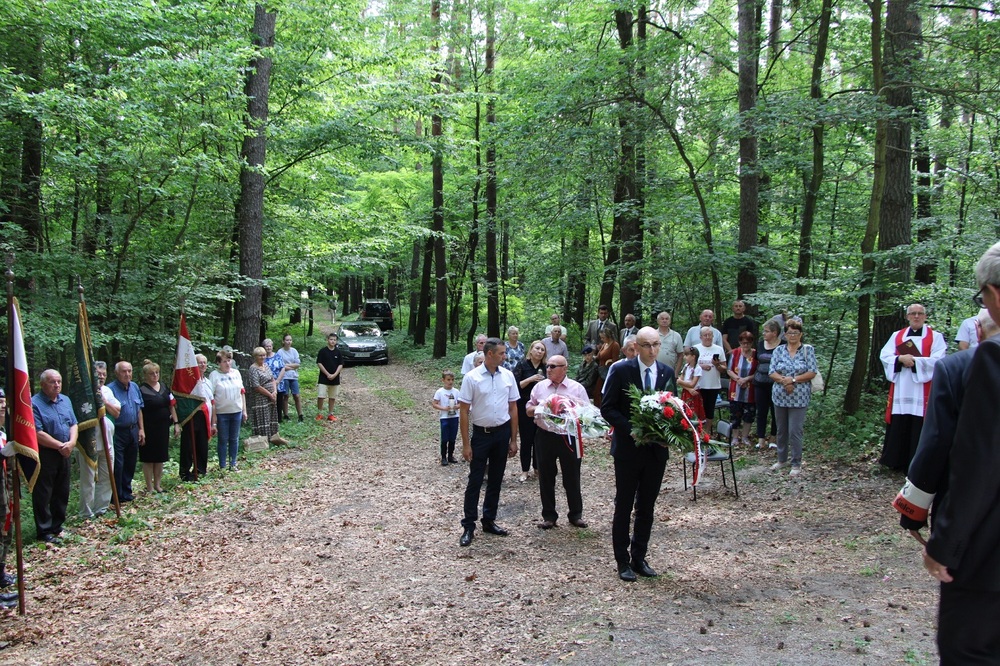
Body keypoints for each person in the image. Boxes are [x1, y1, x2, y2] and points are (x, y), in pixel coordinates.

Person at [923, 241, 1000, 663]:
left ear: (996, 294)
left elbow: (980, 463)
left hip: (989, 560)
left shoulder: (993, 359)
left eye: (982, 297)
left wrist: (945, 544)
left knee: (968, 651)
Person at [895, 309, 999, 539]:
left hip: (971, 504)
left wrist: (912, 510)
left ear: (978, 331)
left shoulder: (955, 368)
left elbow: (936, 441)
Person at [601, 327, 676, 582]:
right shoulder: (622, 371)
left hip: (656, 452)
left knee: (646, 506)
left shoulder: (666, 372)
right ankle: (622, 560)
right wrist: (630, 429)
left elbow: (674, 408)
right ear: (636, 347)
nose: (652, 350)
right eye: (646, 345)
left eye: (656, 345)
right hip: (628, 450)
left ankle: (639, 556)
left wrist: (668, 434)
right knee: (624, 505)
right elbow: (608, 408)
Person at [458, 338, 519, 547]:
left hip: (502, 433)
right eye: (501, 353)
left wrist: (513, 439)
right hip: (481, 435)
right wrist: (466, 444)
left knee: (495, 479)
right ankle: (468, 525)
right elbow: (464, 411)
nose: (505, 356)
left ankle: (489, 520)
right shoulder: (472, 378)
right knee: (475, 480)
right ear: (490, 354)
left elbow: (513, 408)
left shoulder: (508, 376)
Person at [878, 303, 946, 472]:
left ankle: (917, 464)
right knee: (900, 422)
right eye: (913, 313)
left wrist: (915, 361)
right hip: (901, 387)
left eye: (920, 313)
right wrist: (900, 359)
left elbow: (939, 359)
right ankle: (895, 461)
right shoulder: (897, 335)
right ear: (907, 316)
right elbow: (884, 355)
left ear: (925, 316)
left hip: (922, 388)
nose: (916, 316)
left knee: (919, 424)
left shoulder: (935, 337)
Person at [525, 355, 591, 529]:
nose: (548, 369)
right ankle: (549, 516)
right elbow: (528, 410)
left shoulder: (576, 388)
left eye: (553, 366)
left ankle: (575, 514)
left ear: (564, 368)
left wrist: (571, 410)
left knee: (572, 477)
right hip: (545, 436)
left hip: (568, 437)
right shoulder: (539, 387)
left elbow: (587, 414)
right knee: (546, 476)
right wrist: (543, 407)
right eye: (547, 366)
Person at [31, 369, 78, 544]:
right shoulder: (34, 404)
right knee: (44, 492)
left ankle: (57, 526)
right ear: (42, 384)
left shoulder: (65, 400)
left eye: (59, 381)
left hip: (65, 451)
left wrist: (71, 443)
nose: (57, 385)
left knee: (62, 490)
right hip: (46, 453)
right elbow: (37, 432)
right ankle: (44, 531)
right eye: (52, 382)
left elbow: (73, 424)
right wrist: (60, 446)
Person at [768, 320, 817, 476]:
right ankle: (781, 459)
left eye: (796, 333)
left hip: (799, 397)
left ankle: (796, 463)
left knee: (795, 430)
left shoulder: (807, 350)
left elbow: (812, 372)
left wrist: (793, 380)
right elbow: (772, 371)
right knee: (781, 430)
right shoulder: (779, 350)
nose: (793, 335)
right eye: (790, 332)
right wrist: (785, 381)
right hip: (780, 396)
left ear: (800, 334)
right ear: (785, 334)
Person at [78, 362, 116, 518]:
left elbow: (117, 411)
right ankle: (86, 513)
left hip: (107, 442)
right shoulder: (83, 392)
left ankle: (101, 508)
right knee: (88, 480)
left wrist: (104, 401)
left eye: (103, 374)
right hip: (89, 442)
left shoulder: (107, 390)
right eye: (98, 373)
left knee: (106, 477)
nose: (101, 376)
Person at [138, 360, 178, 493]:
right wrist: (141, 429)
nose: (155, 375)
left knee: (160, 457)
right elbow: (139, 411)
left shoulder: (164, 387)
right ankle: (149, 487)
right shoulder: (141, 390)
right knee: (149, 458)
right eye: (152, 373)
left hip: (163, 428)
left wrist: (176, 423)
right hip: (148, 428)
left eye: (157, 372)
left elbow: (171, 406)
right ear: (145, 375)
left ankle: (158, 485)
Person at [108, 361, 144, 502]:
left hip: (133, 430)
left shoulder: (134, 387)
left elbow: (139, 409)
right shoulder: (110, 389)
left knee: (130, 462)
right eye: (124, 371)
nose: (127, 374)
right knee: (118, 464)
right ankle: (116, 495)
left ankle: (127, 491)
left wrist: (141, 429)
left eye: (129, 371)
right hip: (118, 431)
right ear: (117, 373)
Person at [514, 340, 548, 483]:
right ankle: (525, 470)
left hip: (542, 407)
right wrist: (531, 379)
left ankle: (537, 468)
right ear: (531, 350)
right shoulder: (522, 364)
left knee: (539, 439)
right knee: (526, 439)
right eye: (537, 348)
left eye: (542, 350)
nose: (539, 352)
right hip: (524, 406)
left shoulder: (546, 367)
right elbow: (516, 386)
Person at [209, 349, 247, 472]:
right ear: (219, 363)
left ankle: (233, 463)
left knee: (234, 439)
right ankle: (222, 466)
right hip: (222, 413)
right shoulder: (214, 375)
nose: (227, 363)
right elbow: (211, 397)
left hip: (236, 411)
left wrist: (244, 410)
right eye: (224, 361)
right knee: (223, 439)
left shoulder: (236, 373)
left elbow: (242, 392)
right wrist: (214, 417)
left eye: (229, 360)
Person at [179, 354, 212, 482]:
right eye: (200, 362)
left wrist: (213, 422)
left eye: (204, 362)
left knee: (202, 444)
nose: (202, 365)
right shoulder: (190, 381)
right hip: (191, 415)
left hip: (205, 416)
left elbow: (212, 401)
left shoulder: (208, 382)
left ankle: (200, 470)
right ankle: (185, 472)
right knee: (188, 445)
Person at [249, 346, 288, 445]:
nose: (262, 357)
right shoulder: (253, 368)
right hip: (260, 398)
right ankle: (263, 440)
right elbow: (256, 386)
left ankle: (274, 437)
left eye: (264, 355)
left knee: (271, 416)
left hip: (271, 396)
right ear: (255, 356)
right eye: (260, 355)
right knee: (263, 417)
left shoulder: (266, 365)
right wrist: (269, 394)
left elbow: (272, 379)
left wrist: (274, 391)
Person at [0, 391, 17, 606]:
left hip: (4, 494)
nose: (3, 406)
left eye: (4, 402)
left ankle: (1, 575)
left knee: (4, 535)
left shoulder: (3, 432)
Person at [753, 320, 781, 450]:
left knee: (775, 411)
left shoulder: (783, 345)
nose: (763, 333)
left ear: (774, 333)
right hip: (760, 382)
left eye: (766, 331)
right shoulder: (760, 344)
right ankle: (761, 439)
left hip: (776, 383)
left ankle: (773, 438)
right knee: (761, 411)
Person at [693, 326, 726, 437]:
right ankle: (697, 432)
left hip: (713, 384)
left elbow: (724, 368)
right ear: (700, 337)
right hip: (698, 384)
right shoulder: (695, 348)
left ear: (713, 336)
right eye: (705, 335)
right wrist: (701, 366)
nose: (707, 337)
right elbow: (690, 366)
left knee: (709, 410)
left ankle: (706, 433)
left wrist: (717, 365)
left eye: (710, 335)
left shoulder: (718, 349)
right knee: (698, 409)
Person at [431, 371, 460, 466]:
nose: (450, 382)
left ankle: (450, 455)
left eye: (452, 380)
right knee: (444, 438)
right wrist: (444, 408)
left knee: (453, 437)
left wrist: (455, 407)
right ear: (443, 380)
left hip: (454, 417)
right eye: (448, 380)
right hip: (444, 417)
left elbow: (461, 403)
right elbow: (434, 404)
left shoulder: (456, 391)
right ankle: (443, 457)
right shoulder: (440, 392)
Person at [317, 332, 344, 421]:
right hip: (323, 378)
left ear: (336, 341)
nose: (332, 341)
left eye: (334, 340)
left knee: (332, 397)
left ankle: (330, 414)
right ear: (327, 340)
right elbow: (319, 363)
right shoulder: (322, 351)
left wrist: (335, 374)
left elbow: (341, 364)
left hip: (335, 378)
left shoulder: (338, 352)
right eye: (331, 339)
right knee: (321, 396)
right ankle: (319, 413)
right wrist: (327, 374)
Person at [277, 334, 304, 422]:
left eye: (290, 340)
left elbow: (298, 364)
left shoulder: (294, 351)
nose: (289, 342)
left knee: (296, 395)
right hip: (284, 376)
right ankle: (286, 415)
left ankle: (300, 415)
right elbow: (280, 366)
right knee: (285, 395)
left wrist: (287, 366)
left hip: (293, 376)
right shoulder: (280, 352)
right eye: (287, 340)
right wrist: (291, 366)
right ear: (283, 341)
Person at [593, 326, 620, 407]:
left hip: (608, 371)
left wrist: (609, 362)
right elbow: (598, 356)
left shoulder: (615, 345)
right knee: (596, 391)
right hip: (601, 370)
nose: (602, 339)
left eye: (603, 338)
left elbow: (615, 360)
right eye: (601, 337)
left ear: (609, 337)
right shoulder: (605, 344)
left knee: (601, 391)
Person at [677, 348, 705, 421]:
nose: (684, 357)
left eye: (686, 355)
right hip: (686, 392)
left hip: (694, 394)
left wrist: (680, 381)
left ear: (693, 357)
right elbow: (679, 381)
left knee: (693, 414)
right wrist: (689, 389)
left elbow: (692, 384)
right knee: (684, 413)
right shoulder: (686, 366)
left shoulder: (698, 368)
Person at [263, 338, 286, 420]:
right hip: (267, 383)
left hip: (278, 382)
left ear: (272, 347)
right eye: (267, 346)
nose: (268, 348)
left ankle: (279, 418)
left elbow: (283, 368)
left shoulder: (277, 356)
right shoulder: (262, 358)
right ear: (264, 347)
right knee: (269, 401)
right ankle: (269, 418)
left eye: (270, 346)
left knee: (279, 401)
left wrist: (277, 381)